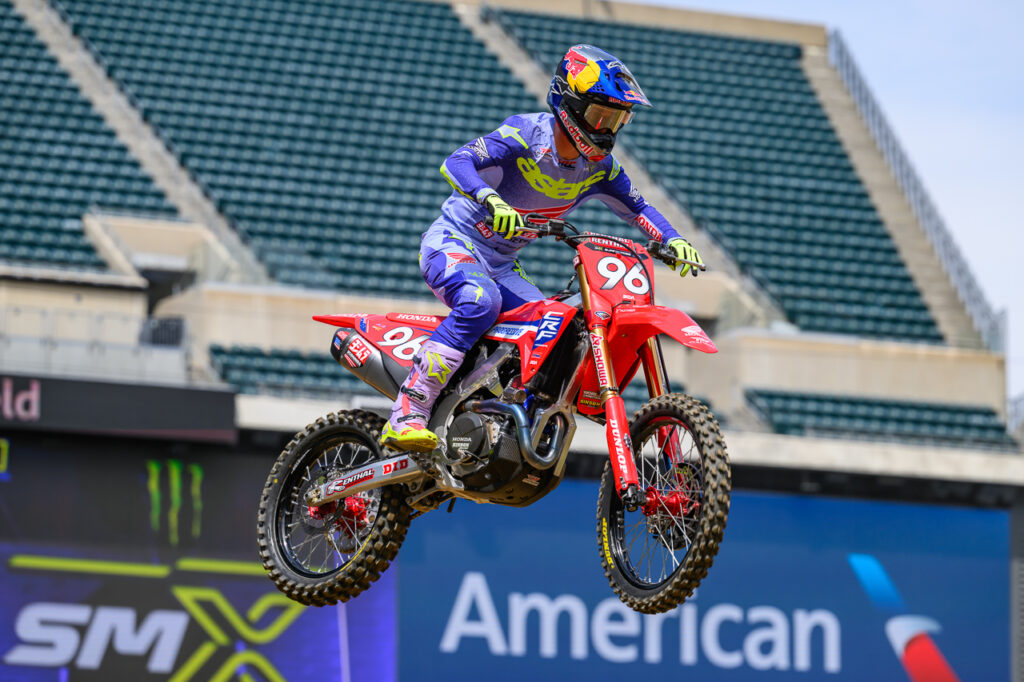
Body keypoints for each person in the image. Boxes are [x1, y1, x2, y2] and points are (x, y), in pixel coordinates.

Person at [380, 44, 703, 452]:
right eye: (600, 116)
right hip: (453, 242)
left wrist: (673, 239)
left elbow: (639, 208)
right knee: (480, 301)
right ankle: (408, 411)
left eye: (617, 119)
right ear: (569, 105)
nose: (607, 130)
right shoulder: (525, 135)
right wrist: (491, 199)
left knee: (554, 329)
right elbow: (456, 162)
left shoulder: (599, 168)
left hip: (501, 263)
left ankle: (494, 422)